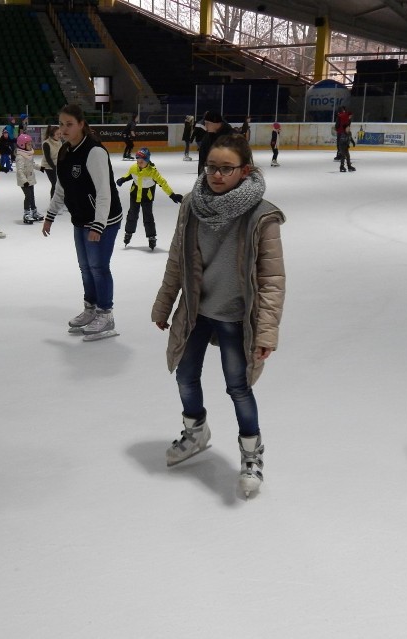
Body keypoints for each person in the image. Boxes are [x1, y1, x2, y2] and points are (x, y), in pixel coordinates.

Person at [151, 133, 285, 498]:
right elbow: (178, 259)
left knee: (238, 387)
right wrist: (165, 303)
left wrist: (266, 333)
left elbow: (272, 281)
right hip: (198, 309)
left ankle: (252, 454)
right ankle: (196, 431)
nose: (217, 175)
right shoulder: (193, 205)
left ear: (245, 170)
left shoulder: (262, 215)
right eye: (211, 167)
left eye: (227, 168)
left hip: (236, 316)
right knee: (185, 376)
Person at [42, 104, 123, 341]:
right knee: (85, 267)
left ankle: (105, 314)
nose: (64, 129)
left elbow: (104, 192)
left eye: (69, 124)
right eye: (61, 124)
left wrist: (99, 225)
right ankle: (91, 309)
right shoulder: (65, 151)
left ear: (81, 124)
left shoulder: (95, 151)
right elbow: (61, 188)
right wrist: (50, 215)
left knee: (98, 267)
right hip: (80, 219)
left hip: (104, 221)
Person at [115, 147, 182, 250]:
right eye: (138, 160)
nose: (139, 163)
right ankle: (128, 233)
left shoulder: (153, 172)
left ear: (147, 161)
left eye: (142, 161)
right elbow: (129, 176)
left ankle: (151, 236)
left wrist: (172, 195)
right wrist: (122, 179)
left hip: (147, 196)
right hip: (134, 195)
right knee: (132, 214)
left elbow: (163, 183)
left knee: (148, 216)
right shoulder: (133, 167)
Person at [197, 110, 234, 175]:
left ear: (216, 123)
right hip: (211, 176)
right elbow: (202, 161)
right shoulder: (207, 138)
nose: (205, 126)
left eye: (207, 123)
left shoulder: (232, 137)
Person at [16, 133, 41, 224]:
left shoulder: (29, 154)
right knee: (28, 196)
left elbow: (32, 164)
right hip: (24, 181)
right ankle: (26, 213)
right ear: (22, 145)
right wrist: (24, 181)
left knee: (32, 196)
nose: (31, 146)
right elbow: (19, 170)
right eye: (29, 144)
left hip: (30, 179)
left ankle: (34, 212)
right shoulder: (20, 157)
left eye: (31, 144)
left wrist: (40, 167)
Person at [40, 124, 62, 200]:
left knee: (61, 184)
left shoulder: (59, 141)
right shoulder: (46, 144)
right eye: (57, 134)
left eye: (60, 133)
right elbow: (48, 158)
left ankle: (60, 201)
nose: (60, 135)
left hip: (57, 165)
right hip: (48, 166)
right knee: (55, 184)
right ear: (52, 135)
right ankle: (53, 202)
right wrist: (54, 168)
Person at [335, 106, 355, 172]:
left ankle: (349, 166)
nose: (351, 117)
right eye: (350, 116)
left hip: (345, 144)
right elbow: (341, 141)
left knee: (348, 156)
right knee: (343, 155)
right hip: (342, 143)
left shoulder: (348, 131)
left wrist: (352, 142)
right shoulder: (342, 117)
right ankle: (342, 166)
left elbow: (349, 137)